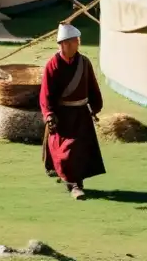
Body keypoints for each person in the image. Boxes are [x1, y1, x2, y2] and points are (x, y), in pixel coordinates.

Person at [40, 22, 105, 200]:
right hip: (62, 116)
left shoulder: (84, 63)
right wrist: (49, 115)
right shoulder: (52, 65)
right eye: (69, 42)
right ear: (62, 45)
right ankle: (73, 184)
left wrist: (95, 106)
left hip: (82, 114)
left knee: (80, 152)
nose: (73, 45)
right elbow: (45, 94)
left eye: (75, 42)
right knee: (67, 152)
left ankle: (77, 184)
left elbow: (92, 86)